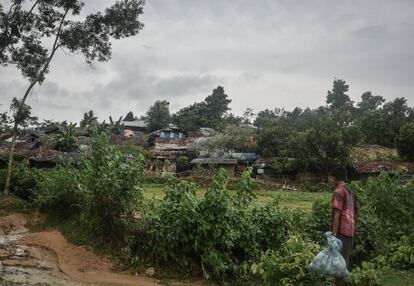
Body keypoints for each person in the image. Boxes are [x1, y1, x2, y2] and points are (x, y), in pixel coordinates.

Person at [330, 166, 358, 286]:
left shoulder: (338, 192)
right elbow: (356, 212)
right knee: (343, 263)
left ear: (335, 178)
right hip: (350, 231)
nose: (331, 181)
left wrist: (334, 235)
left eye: (332, 179)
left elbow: (337, 214)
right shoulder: (350, 192)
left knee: (338, 266)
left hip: (341, 232)